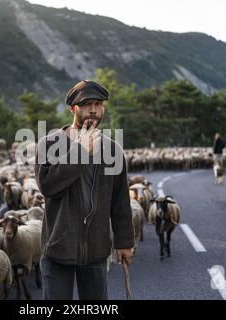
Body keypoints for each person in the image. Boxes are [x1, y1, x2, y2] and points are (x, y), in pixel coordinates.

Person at [35, 80, 134, 300]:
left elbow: (120, 200)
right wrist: (80, 151)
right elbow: (48, 186)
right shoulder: (50, 144)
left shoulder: (112, 150)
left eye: (98, 104)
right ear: (73, 109)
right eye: (86, 104)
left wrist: (125, 241)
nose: (93, 109)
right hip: (58, 247)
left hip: (96, 249)